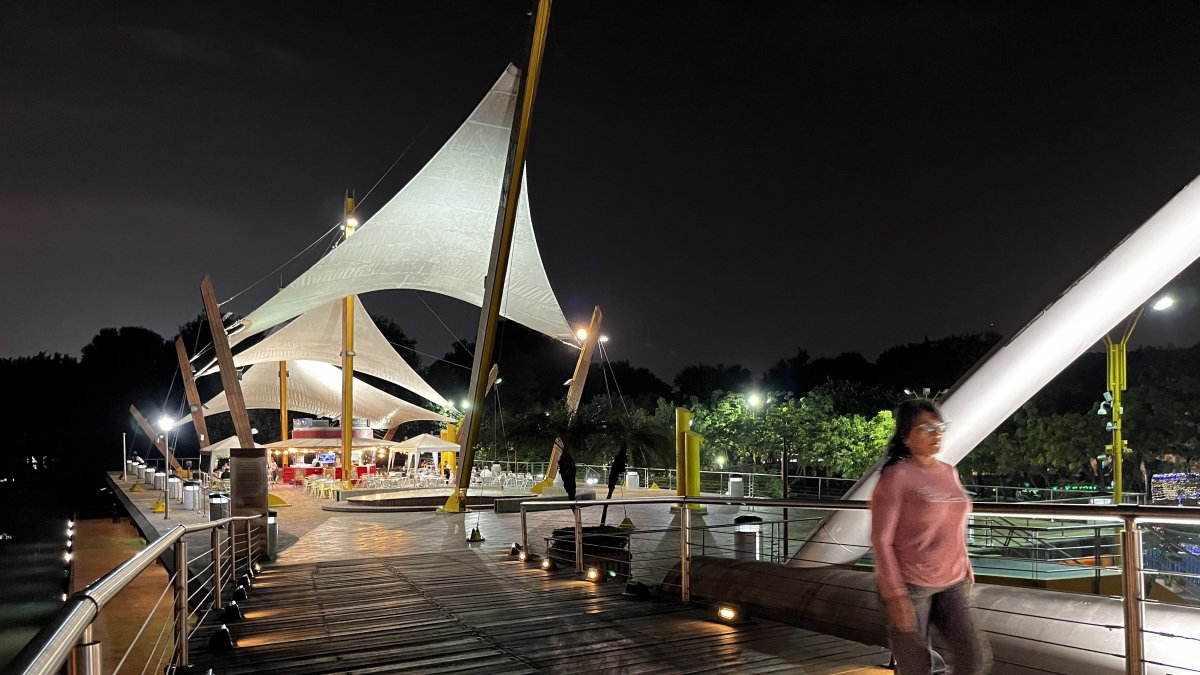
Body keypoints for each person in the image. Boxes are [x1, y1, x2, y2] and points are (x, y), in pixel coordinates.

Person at [870, 398, 991, 674]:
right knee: (916, 668)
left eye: (939, 427)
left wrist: (967, 567)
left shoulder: (949, 472)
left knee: (974, 658)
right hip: (910, 586)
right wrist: (896, 595)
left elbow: (954, 526)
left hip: (952, 582)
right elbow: (881, 540)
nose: (936, 434)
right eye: (926, 428)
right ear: (907, 436)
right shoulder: (895, 477)